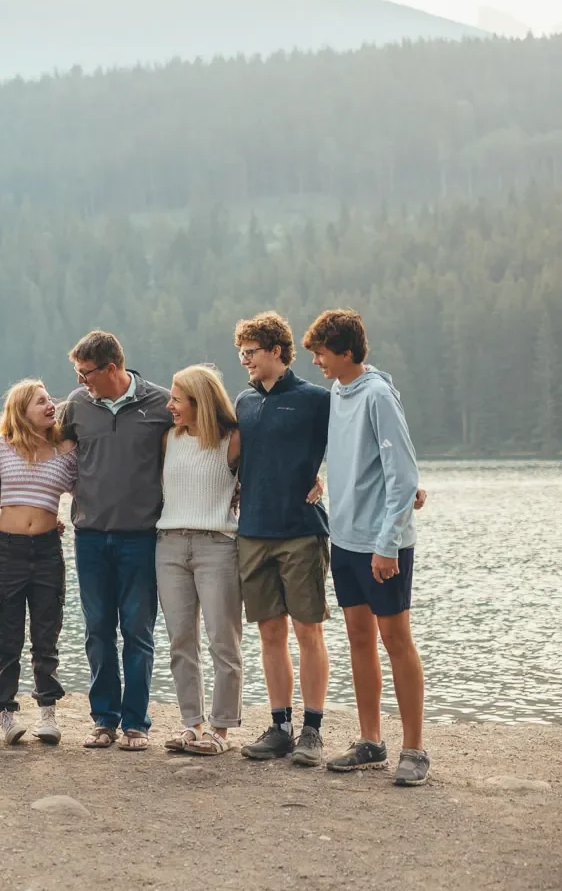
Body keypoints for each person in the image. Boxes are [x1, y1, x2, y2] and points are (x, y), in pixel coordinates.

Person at [304, 309, 431, 786]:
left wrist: (387, 544)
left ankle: (415, 749)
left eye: (321, 352)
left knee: (396, 639)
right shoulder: (339, 392)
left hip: (384, 545)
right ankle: (371, 740)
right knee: (359, 637)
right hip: (346, 539)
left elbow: (403, 477)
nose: (316, 360)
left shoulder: (377, 394)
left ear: (346, 352)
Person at [61, 331, 173, 752]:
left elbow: (203, 439)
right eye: (77, 372)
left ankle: (136, 724)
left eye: (85, 372)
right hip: (89, 538)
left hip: (142, 537)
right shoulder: (77, 406)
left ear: (111, 367)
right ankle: (104, 720)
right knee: (97, 630)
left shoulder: (160, 404)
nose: (80, 380)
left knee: (138, 630)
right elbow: (40, 440)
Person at [231, 312, 334, 765]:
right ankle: (280, 727)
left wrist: (324, 477)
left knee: (307, 630)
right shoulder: (243, 403)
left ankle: (312, 730)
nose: (245, 361)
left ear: (276, 351)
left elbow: (348, 447)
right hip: (252, 532)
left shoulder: (316, 399)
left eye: (251, 353)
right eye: (241, 354)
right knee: (269, 633)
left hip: (301, 532)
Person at [155, 365, 243, 756]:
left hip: (217, 546)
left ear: (199, 401)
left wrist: (314, 480)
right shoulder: (168, 439)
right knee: (180, 641)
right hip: (169, 546)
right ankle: (192, 724)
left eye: (176, 398)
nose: (169, 404)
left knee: (223, 641)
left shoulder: (233, 441)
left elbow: (270, 473)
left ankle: (220, 730)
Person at [0, 379, 77, 746]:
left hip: (46, 551)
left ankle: (47, 713)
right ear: (21, 410)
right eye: (40, 401)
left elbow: (88, 489)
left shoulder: (66, 450)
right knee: (7, 635)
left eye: (49, 399)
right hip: (7, 549)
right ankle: (6, 713)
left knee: (46, 634)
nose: (50, 405)